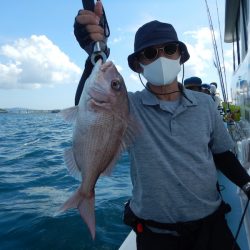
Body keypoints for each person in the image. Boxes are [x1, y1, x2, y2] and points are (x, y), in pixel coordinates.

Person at [73, 3, 250, 250]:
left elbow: (222, 154)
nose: (162, 57)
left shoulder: (205, 104)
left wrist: (247, 184)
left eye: (169, 49)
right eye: (150, 54)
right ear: (138, 65)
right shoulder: (128, 105)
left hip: (211, 225)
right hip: (155, 234)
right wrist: (92, 55)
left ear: (181, 56)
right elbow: (89, 108)